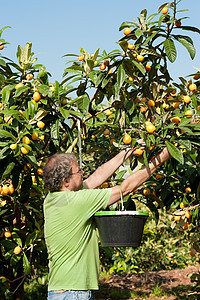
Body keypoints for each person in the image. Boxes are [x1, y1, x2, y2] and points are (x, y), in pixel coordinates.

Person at [43, 145, 171, 300]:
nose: (83, 174)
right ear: (66, 181)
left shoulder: (51, 199)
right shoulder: (77, 202)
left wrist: (127, 152)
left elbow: (95, 178)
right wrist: (161, 158)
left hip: (61, 291)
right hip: (73, 293)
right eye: (78, 171)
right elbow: (125, 189)